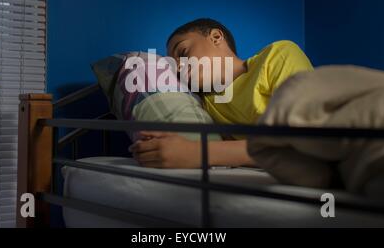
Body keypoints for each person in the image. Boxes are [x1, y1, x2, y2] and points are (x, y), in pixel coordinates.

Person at [129, 18, 313, 168]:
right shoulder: (206, 103)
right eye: (175, 69)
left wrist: (196, 152)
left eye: (183, 52)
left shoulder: (276, 56)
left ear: (216, 37)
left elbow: (303, 144)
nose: (179, 67)